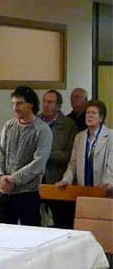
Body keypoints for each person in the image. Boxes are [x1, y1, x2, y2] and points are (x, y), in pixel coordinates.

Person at [0, 86, 52, 226]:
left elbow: (38, 164)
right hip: (4, 193)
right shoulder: (9, 126)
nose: (15, 108)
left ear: (30, 104)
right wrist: (0, 177)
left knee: (30, 234)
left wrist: (14, 179)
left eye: (19, 103)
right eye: (13, 103)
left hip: (27, 194)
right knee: (3, 234)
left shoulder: (42, 130)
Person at [39, 90, 77, 228]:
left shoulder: (68, 125)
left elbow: (69, 155)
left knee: (60, 223)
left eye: (50, 102)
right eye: (44, 101)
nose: (46, 105)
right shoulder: (35, 121)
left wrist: (44, 154)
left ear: (59, 106)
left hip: (57, 180)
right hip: (36, 179)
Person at [57, 100, 112, 195]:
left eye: (93, 113)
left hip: (104, 191)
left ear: (101, 118)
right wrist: (66, 180)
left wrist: (107, 183)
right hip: (82, 191)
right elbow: (72, 164)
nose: (89, 115)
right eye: (87, 113)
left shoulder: (110, 136)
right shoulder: (79, 137)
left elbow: (111, 165)